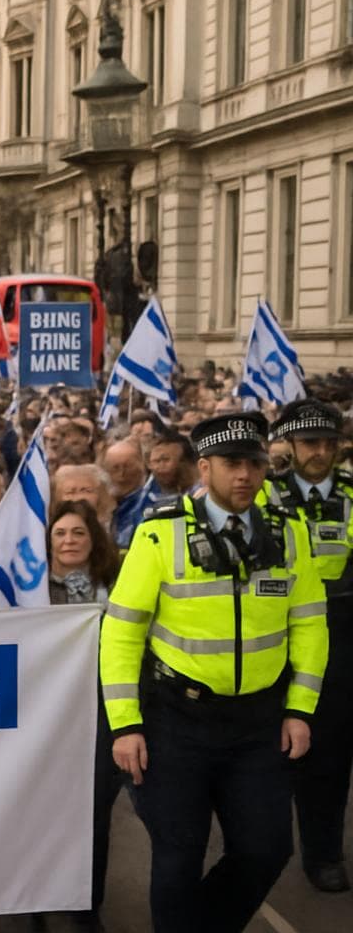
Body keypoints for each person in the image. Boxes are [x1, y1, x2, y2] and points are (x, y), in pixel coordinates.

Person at [100, 412, 328, 932]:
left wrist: (300, 709)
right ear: (204, 468)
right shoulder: (160, 533)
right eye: (231, 463)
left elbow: (310, 624)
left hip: (258, 722)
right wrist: (125, 723)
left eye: (254, 463)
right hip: (176, 720)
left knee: (268, 848)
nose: (245, 474)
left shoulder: (289, 532)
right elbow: (122, 632)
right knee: (178, 854)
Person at [261, 399, 353, 893]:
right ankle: (260, 849)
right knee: (271, 752)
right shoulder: (264, 494)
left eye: (328, 443)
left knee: (330, 753)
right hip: (274, 631)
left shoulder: (352, 495)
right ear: (290, 446)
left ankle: (324, 852)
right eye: (309, 442)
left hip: (340, 631)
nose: (320, 451)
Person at [46, 498, 123, 926]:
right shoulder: (30, 588)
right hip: (44, 717)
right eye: (60, 533)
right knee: (42, 809)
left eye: (78, 532)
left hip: (102, 715)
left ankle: (87, 904)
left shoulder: (117, 585)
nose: (69, 540)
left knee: (93, 815)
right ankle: (35, 896)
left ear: (94, 539)